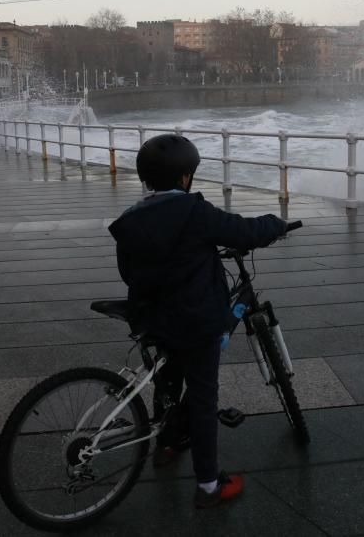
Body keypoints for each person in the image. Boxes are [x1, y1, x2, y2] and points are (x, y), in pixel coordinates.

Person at [108, 134, 286, 509]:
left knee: (168, 382)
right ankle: (208, 485)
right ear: (186, 178)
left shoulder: (131, 218)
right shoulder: (194, 212)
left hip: (153, 319)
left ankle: (168, 445)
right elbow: (242, 232)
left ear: (146, 179)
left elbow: (128, 272)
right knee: (204, 399)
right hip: (195, 321)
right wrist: (275, 223)